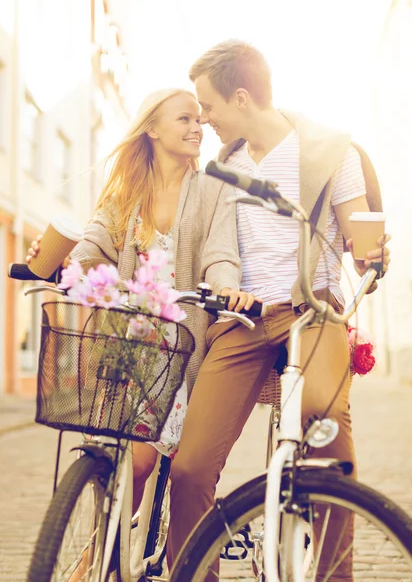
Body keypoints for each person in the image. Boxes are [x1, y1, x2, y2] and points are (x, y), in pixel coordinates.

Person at [167, 41, 391, 581]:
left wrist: (371, 254)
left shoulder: (332, 153)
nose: (205, 120)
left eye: (209, 107)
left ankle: (333, 575)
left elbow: (360, 233)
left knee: (326, 423)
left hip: (309, 311)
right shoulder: (225, 168)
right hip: (241, 321)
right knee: (190, 468)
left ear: (240, 97)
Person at [26, 87, 257, 581]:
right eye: (184, 118)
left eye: (199, 118)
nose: (197, 126)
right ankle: (102, 556)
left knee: (139, 461)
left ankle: (96, 563)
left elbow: (221, 251)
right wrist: (61, 261)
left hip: (181, 347)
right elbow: (92, 244)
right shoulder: (125, 190)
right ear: (152, 129)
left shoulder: (214, 187)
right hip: (125, 342)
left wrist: (227, 286)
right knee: (121, 460)